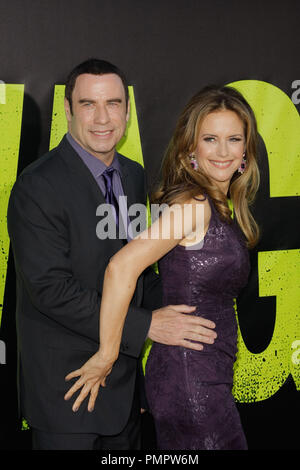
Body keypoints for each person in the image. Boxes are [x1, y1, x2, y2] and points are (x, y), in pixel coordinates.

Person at [7, 59, 217, 451]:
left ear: (127, 110)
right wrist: (147, 326)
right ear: (68, 110)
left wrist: (191, 303)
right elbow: (51, 290)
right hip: (69, 392)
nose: (102, 118)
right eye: (88, 104)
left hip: (123, 393)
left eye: (113, 103)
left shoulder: (133, 174)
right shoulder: (37, 187)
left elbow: (139, 272)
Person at [64, 85, 260, 450]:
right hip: (191, 380)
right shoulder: (194, 205)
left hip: (206, 373)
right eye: (210, 139)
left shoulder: (222, 205)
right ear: (191, 150)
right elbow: (120, 268)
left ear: (246, 151)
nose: (222, 151)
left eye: (234, 139)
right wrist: (107, 355)